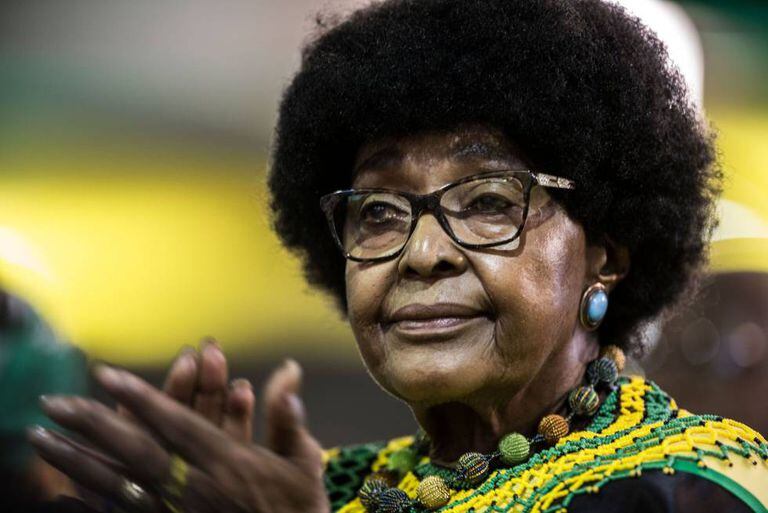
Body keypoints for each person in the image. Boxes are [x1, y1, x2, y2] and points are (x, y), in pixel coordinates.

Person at [27, 0, 768, 512]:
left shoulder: (702, 484)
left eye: (488, 202)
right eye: (380, 211)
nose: (422, 253)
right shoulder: (337, 487)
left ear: (607, 251)